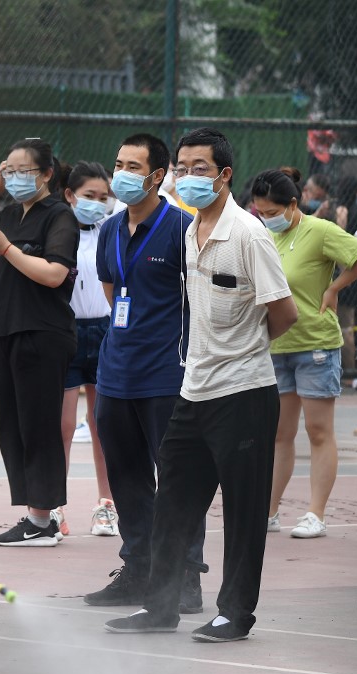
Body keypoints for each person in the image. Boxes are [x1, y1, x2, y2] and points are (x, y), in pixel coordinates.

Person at [105, 127, 298, 643]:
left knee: (242, 510)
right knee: (174, 502)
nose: (188, 177)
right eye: (182, 169)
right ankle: (160, 605)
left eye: (200, 169)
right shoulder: (189, 232)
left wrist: (244, 351)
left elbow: (284, 313)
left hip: (244, 393)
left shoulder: (248, 234)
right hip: (193, 389)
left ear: (224, 175)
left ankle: (235, 614)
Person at [84, 133, 205, 611]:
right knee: (127, 477)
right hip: (116, 373)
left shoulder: (182, 228)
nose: (122, 174)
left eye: (133, 166)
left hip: (166, 374)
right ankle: (138, 570)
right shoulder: (111, 229)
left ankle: (187, 578)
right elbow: (114, 294)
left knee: (176, 478)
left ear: (158, 176)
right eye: (119, 163)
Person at [0, 138, 77, 547]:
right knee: (15, 427)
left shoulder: (59, 216)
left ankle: (43, 520)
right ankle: (34, 514)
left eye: (24, 171)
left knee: (39, 425)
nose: (16, 177)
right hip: (5, 330)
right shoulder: (4, 213)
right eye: (10, 169)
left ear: (46, 174)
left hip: (41, 331)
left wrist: (6, 249)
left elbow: (55, 273)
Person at [252, 167, 357, 538]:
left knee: (318, 431)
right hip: (276, 346)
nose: (266, 218)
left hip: (316, 346)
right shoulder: (262, 235)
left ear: (293, 204)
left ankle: (315, 514)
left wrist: (335, 287)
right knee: (278, 433)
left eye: (272, 211)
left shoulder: (319, 230)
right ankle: (269, 512)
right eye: (260, 212)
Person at [57, 161, 117, 538]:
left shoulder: (110, 230)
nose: (96, 203)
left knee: (103, 425)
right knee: (62, 427)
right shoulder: (59, 232)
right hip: (66, 332)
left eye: (102, 197)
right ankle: (54, 507)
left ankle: (106, 506)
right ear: (69, 195)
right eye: (88, 196)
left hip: (107, 331)